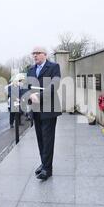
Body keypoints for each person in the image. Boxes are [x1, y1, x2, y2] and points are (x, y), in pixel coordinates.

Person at [26, 46, 61, 180]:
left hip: (49, 109)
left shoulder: (54, 67)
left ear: (44, 54)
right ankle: (44, 163)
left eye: (37, 53)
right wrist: (27, 96)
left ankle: (48, 169)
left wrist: (39, 96)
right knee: (40, 138)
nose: (35, 55)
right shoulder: (30, 70)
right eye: (33, 53)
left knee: (48, 139)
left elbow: (55, 85)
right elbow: (27, 88)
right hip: (36, 110)